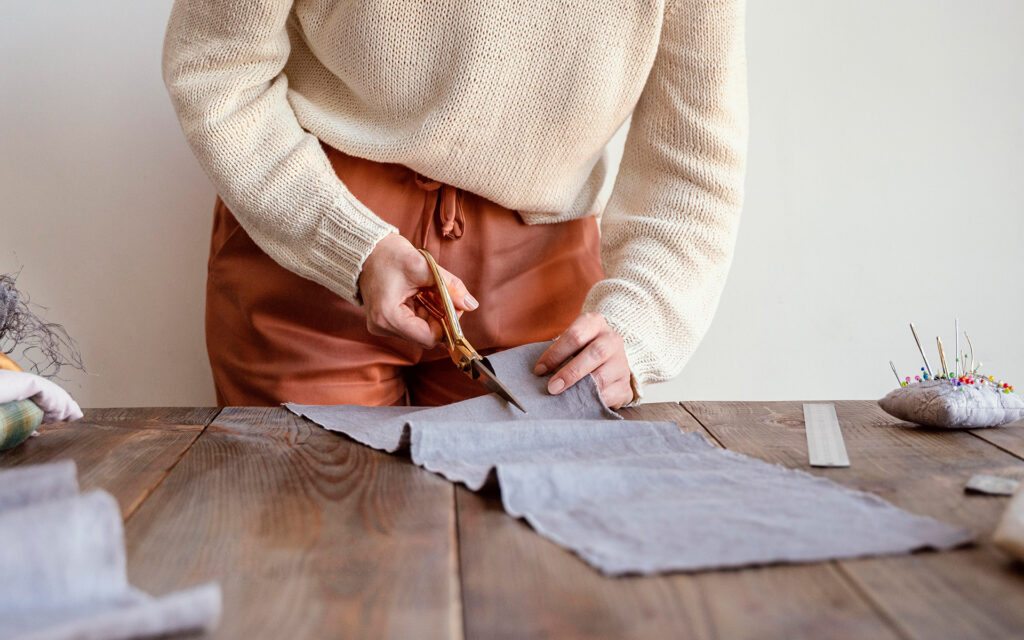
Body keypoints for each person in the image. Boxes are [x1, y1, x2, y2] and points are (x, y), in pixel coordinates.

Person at [161, 0, 748, 410]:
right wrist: (349, 247)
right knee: (314, 554)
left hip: (544, 288)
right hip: (312, 248)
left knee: (525, 571)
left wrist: (639, 325)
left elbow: (692, 164)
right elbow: (218, 66)